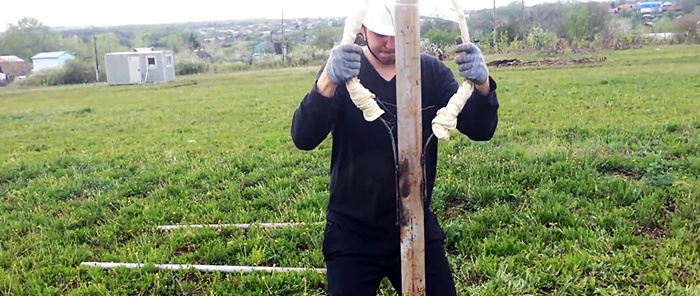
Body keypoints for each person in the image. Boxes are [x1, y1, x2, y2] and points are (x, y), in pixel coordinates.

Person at [290, 0, 500, 295]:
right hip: (352, 231)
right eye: (380, 35)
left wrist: (481, 86)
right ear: (363, 30)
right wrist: (326, 82)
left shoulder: (431, 72)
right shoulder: (344, 71)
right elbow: (304, 137)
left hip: (416, 220)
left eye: (398, 34)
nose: (390, 43)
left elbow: (480, 130)